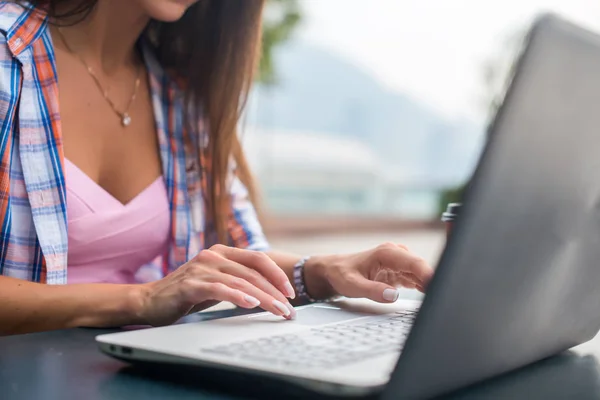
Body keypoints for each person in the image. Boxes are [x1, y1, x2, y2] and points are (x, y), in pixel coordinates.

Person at [0, 0, 433, 336]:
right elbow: (155, 297)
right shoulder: (7, 59)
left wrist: (324, 271)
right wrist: (140, 300)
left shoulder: (180, 97)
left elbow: (238, 250)